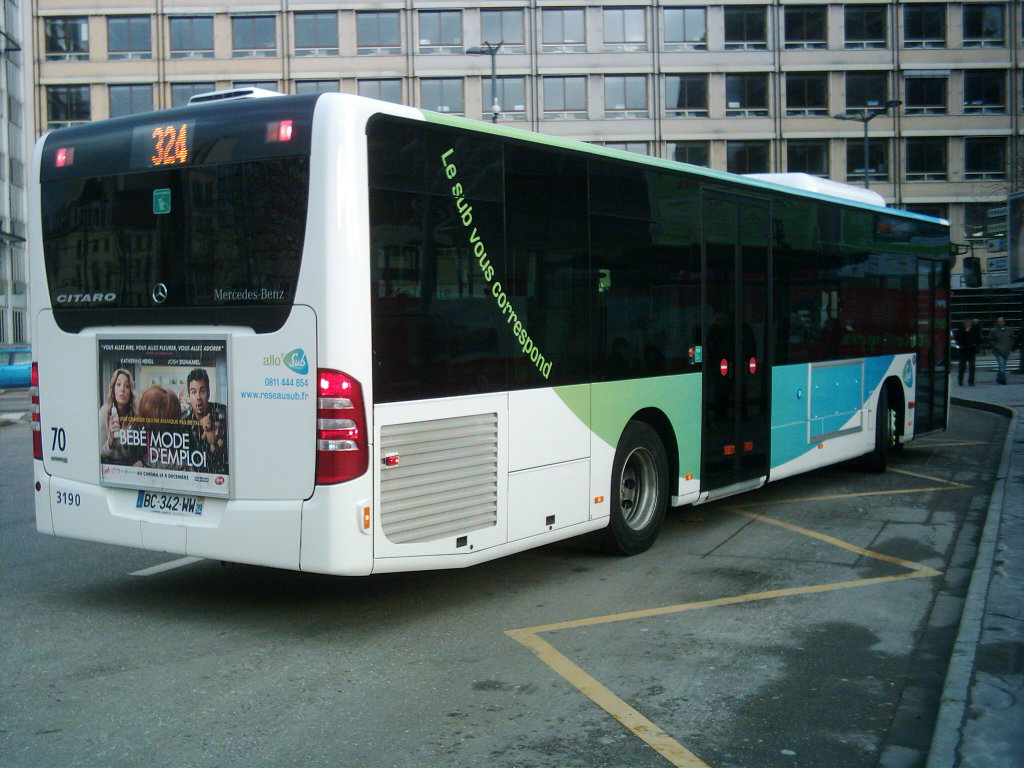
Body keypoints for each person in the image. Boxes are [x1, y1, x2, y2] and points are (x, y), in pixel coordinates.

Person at [181, 368, 228, 474]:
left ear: (208, 393)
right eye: (193, 392)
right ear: (188, 395)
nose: (198, 397)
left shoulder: (223, 415)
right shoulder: (184, 422)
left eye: (202, 391)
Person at [99, 368, 139, 464]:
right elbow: (100, 452)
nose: (122, 389)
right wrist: (111, 439)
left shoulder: (136, 414)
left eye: (127, 386)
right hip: (109, 465)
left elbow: (136, 454)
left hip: (130, 466)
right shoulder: (104, 412)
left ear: (131, 391)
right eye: (118, 384)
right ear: (113, 389)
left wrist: (125, 440)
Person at [987, 316, 1016, 385]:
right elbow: (990, 340)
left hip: (1006, 350)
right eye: (999, 322)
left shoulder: (1010, 330)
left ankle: (999, 378)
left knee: (1002, 365)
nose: (1000, 323)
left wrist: (1010, 346)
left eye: (1001, 321)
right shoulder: (993, 331)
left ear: (1004, 322)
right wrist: (996, 347)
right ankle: (1002, 380)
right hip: (998, 351)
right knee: (1002, 364)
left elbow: (1012, 339)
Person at [953, 318, 980, 386]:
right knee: (962, 367)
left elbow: (978, 337)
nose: (969, 325)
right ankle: (960, 380)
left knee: (972, 367)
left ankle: (971, 381)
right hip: (963, 351)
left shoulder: (974, 330)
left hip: (971, 351)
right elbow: (958, 339)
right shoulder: (961, 331)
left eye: (970, 324)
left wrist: (975, 344)